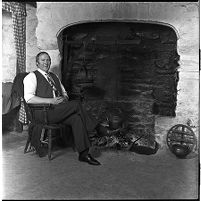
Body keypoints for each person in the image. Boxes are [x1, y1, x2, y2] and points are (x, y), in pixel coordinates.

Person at [23, 51, 110, 165]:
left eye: (48, 60)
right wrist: (50, 101)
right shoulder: (31, 76)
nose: (46, 62)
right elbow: (29, 98)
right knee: (77, 104)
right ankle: (97, 128)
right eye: (43, 60)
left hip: (58, 110)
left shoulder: (54, 77)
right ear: (37, 63)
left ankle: (84, 154)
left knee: (76, 118)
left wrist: (63, 98)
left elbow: (65, 94)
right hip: (43, 112)